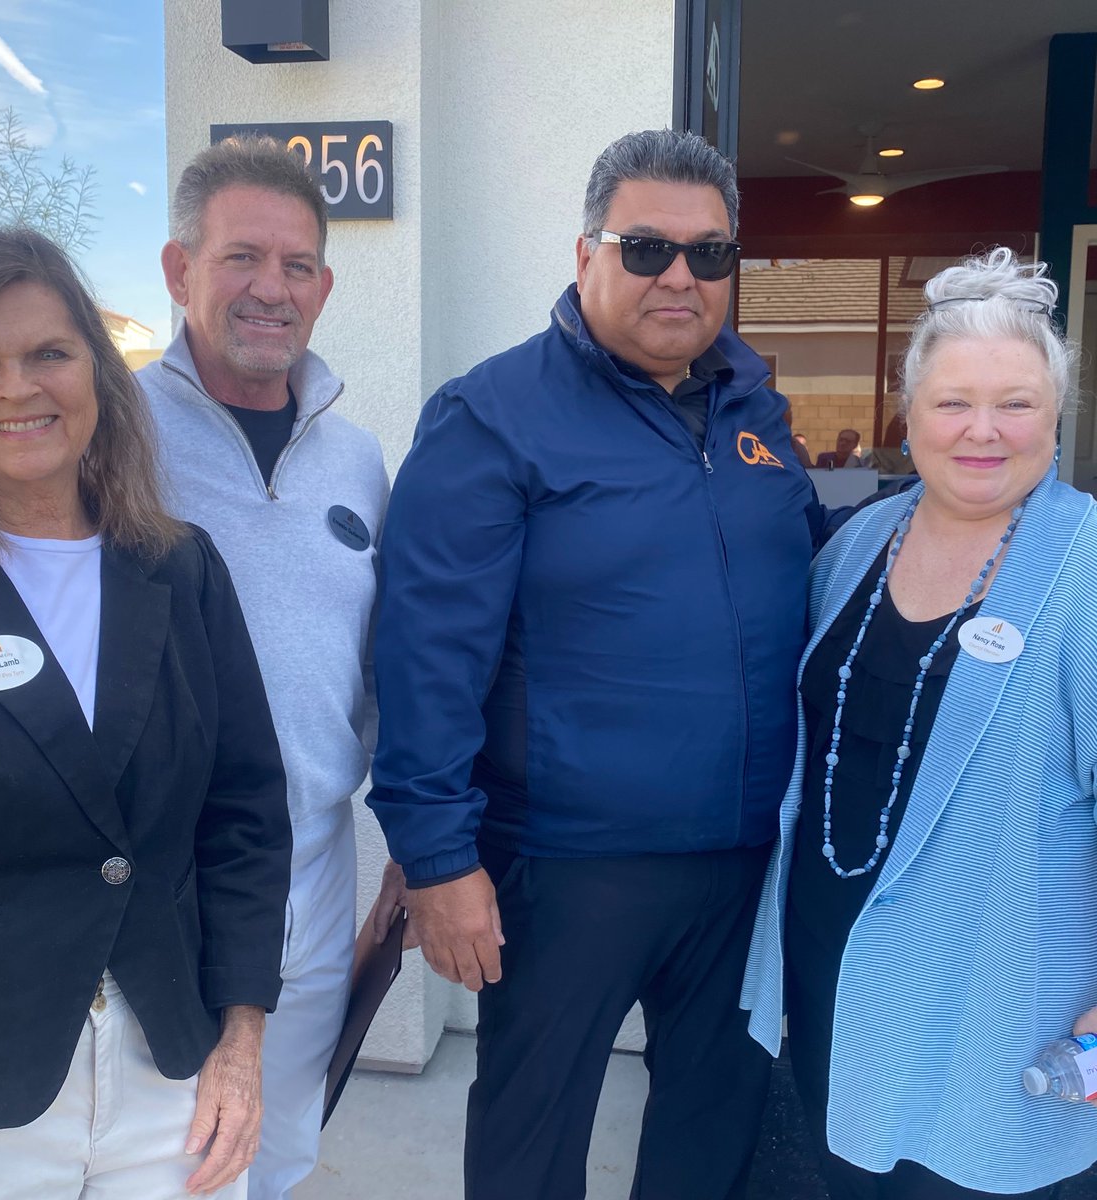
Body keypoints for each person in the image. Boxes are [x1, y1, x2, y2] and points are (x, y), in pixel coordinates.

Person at [367, 128, 823, 1200]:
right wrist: (436, 858)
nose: (681, 275)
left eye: (710, 255)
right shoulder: (493, 417)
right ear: (586, 257)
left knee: (711, 1135)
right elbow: (425, 653)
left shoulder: (758, 413)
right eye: (648, 247)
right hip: (565, 869)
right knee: (532, 1143)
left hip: (745, 861)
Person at [0, 228, 292, 1199]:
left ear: (98, 375)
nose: (17, 387)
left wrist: (240, 1044)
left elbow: (245, 813)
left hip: (172, 1078)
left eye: (48, 353)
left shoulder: (179, 567)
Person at [741, 247, 1097, 1198]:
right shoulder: (861, 541)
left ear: (1056, 411)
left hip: (1000, 1005)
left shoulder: (1086, 566)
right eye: (953, 402)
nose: (983, 430)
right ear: (912, 411)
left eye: (1016, 402)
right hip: (837, 978)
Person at [138, 136, 389, 1200]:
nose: (270, 290)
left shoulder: (358, 458)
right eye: (242, 258)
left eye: (296, 267)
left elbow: (382, 666)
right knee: (170, 1161)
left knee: (278, 1149)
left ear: (324, 287)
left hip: (315, 867)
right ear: (179, 268)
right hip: (162, 871)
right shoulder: (110, 434)